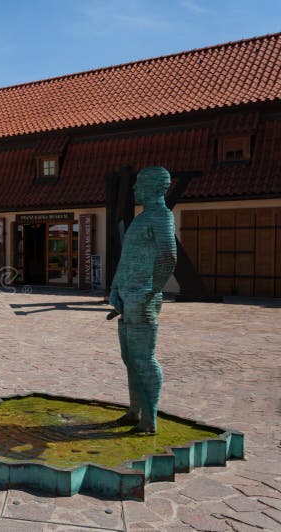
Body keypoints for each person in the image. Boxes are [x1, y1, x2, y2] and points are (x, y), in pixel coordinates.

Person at [109, 166, 177, 434]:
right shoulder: (142, 218)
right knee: (129, 357)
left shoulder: (161, 215)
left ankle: (149, 420)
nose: (135, 189)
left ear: (155, 187)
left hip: (141, 296)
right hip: (128, 296)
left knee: (144, 359)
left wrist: (152, 290)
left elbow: (169, 255)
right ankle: (134, 411)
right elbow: (126, 258)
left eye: (140, 184)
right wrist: (115, 288)